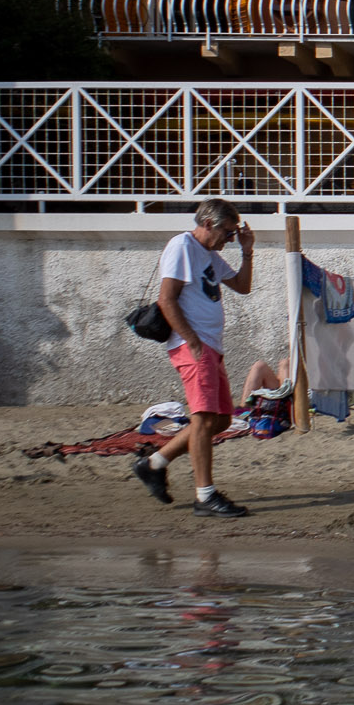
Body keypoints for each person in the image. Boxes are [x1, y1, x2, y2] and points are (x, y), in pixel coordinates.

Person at [132, 197, 255, 517]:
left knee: (222, 420)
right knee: (202, 418)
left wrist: (246, 249)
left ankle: (154, 464)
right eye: (228, 233)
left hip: (210, 345)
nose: (229, 239)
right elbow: (167, 299)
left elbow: (242, 286)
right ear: (209, 224)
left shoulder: (210, 255)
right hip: (194, 345)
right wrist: (192, 341)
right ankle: (205, 495)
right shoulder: (182, 246)